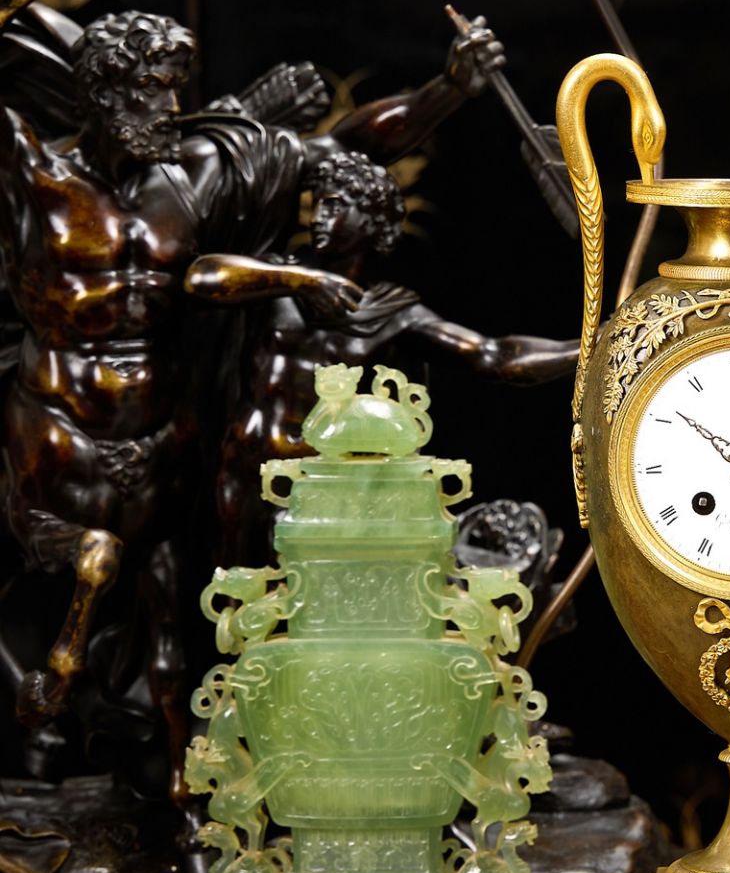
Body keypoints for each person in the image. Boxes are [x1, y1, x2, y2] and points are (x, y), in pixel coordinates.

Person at [0, 0, 504, 797]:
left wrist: (447, 92)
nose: (166, 110)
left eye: (172, 91)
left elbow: (336, 153)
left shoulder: (193, 176)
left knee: (172, 622)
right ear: (101, 93)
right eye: (149, 93)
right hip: (56, 421)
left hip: (166, 434)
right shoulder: (37, 176)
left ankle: (184, 793)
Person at [187, 148, 576, 564]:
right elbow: (202, 277)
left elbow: (493, 355)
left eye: (336, 206)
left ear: (371, 222)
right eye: (318, 205)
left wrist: (588, 346)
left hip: (319, 487)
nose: (319, 216)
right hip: (246, 468)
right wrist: (304, 280)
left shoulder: (392, 312)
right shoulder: (275, 279)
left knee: (302, 607)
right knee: (234, 596)